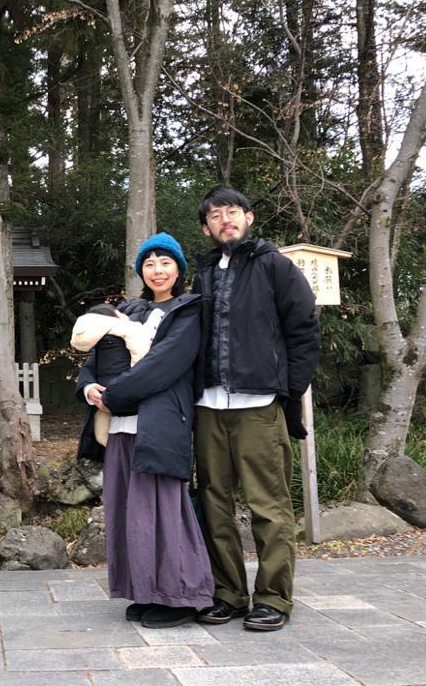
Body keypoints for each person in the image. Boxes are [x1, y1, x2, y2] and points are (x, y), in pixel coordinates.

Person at [191, 186, 320, 632]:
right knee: (215, 504)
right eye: (214, 215)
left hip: (259, 406)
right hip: (208, 406)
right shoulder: (204, 272)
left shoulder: (275, 266)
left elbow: (304, 330)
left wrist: (289, 392)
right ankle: (227, 592)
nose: (224, 219)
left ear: (248, 218)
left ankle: (272, 597)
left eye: (232, 211)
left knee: (269, 506)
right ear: (206, 228)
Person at [75, 232, 214, 628]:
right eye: (149, 264)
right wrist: (89, 388)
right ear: (141, 271)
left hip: (161, 422)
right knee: (128, 511)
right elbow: (96, 357)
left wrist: (115, 395)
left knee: (164, 509)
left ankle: (183, 595)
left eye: (165, 262)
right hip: (119, 427)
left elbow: (165, 364)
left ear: (178, 269)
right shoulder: (126, 311)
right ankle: (145, 590)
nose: (157, 270)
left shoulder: (188, 310)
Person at [71, 303, 152, 456]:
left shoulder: (176, 312)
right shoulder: (119, 316)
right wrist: (88, 388)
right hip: (113, 419)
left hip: (146, 414)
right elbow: (90, 365)